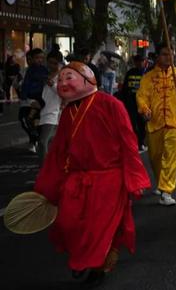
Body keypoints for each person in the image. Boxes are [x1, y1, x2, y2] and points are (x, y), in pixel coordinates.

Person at [33, 61, 151, 286]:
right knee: (68, 223)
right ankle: (86, 258)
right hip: (76, 180)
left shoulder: (111, 105)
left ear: (88, 79)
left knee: (99, 228)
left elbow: (128, 142)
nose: (63, 83)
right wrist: (49, 184)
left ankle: (94, 264)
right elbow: (59, 151)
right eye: (61, 79)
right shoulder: (69, 111)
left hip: (108, 179)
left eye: (69, 78)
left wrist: (134, 178)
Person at [136, 44, 176, 206]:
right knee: (155, 157)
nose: (168, 58)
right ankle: (161, 182)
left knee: (171, 157)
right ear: (157, 57)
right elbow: (142, 96)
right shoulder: (148, 77)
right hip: (155, 123)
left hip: (174, 122)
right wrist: (144, 109)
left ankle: (166, 190)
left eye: (171, 55)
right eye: (164, 54)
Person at [19, 48, 48, 153]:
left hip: (40, 96)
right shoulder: (29, 70)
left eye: (41, 58)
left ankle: (35, 140)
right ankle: (34, 137)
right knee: (28, 119)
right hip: (31, 96)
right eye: (37, 58)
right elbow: (25, 84)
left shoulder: (44, 69)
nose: (39, 60)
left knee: (36, 118)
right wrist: (24, 95)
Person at [118, 54, 149, 150]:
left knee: (142, 124)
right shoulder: (130, 73)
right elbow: (125, 88)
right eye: (138, 61)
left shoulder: (147, 74)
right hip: (131, 103)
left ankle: (141, 142)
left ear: (145, 62)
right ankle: (134, 143)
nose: (140, 63)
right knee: (132, 124)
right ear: (135, 62)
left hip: (143, 104)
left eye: (142, 61)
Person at [37, 51, 63, 162]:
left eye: (54, 63)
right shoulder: (44, 74)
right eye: (49, 63)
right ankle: (51, 167)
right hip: (41, 110)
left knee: (43, 141)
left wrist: (52, 84)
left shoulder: (62, 76)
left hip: (53, 111)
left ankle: (45, 168)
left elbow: (63, 92)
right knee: (50, 142)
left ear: (59, 63)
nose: (51, 66)